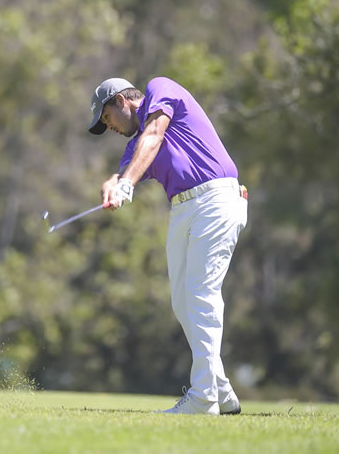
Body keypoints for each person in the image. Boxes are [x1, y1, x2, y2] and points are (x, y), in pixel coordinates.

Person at [89, 76, 247, 415]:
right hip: (183, 209)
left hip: (215, 198)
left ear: (121, 100)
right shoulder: (135, 147)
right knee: (182, 302)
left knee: (201, 293)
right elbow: (131, 164)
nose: (111, 127)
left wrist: (126, 183)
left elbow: (154, 134)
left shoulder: (160, 89)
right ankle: (221, 390)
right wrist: (114, 181)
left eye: (107, 118)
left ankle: (204, 398)